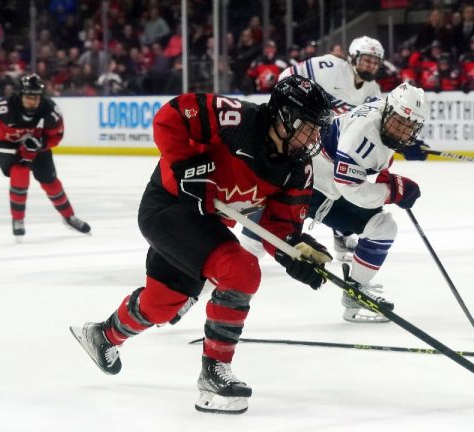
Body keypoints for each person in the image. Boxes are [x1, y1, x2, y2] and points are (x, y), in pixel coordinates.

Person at [69, 75, 334, 414]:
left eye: (317, 129)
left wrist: (293, 252)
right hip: (168, 207)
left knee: (162, 304)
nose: (314, 137)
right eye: (308, 126)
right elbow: (171, 115)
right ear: (284, 114)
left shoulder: (298, 168)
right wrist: (186, 167)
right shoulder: (236, 120)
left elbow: (279, 225)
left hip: (205, 223)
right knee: (241, 270)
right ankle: (214, 372)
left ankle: (103, 335)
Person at [241, 36, 384, 262]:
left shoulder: (374, 90)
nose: (371, 66)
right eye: (367, 60)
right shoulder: (330, 67)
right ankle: (250, 244)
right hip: (300, 136)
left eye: (375, 62)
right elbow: (286, 77)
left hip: (328, 146)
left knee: (345, 184)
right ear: (354, 57)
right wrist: (304, 105)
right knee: (283, 183)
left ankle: (342, 234)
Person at [310, 82, 428, 322]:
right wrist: (392, 191)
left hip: (323, 177)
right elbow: (351, 188)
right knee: (382, 227)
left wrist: (404, 146)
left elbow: (381, 146)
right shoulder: (361, 137)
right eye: (400, 123)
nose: (402, 131)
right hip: (317, 189)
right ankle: (354, 295)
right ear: (389, 111)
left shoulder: (383, 108)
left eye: (410, 127)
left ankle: (352, 280)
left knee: (379, 223)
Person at [0, 73, 91, 240]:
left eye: (35, 98)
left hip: (35, 147)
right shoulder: (5, 108)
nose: (32, 102)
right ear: (20, 95)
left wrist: (41, 144)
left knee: (50, 181)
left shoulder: (50, 111)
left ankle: (69, 217)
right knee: (20, 174)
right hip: (7, 145)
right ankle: (18, 220)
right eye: (28, 97)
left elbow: (56, 135)